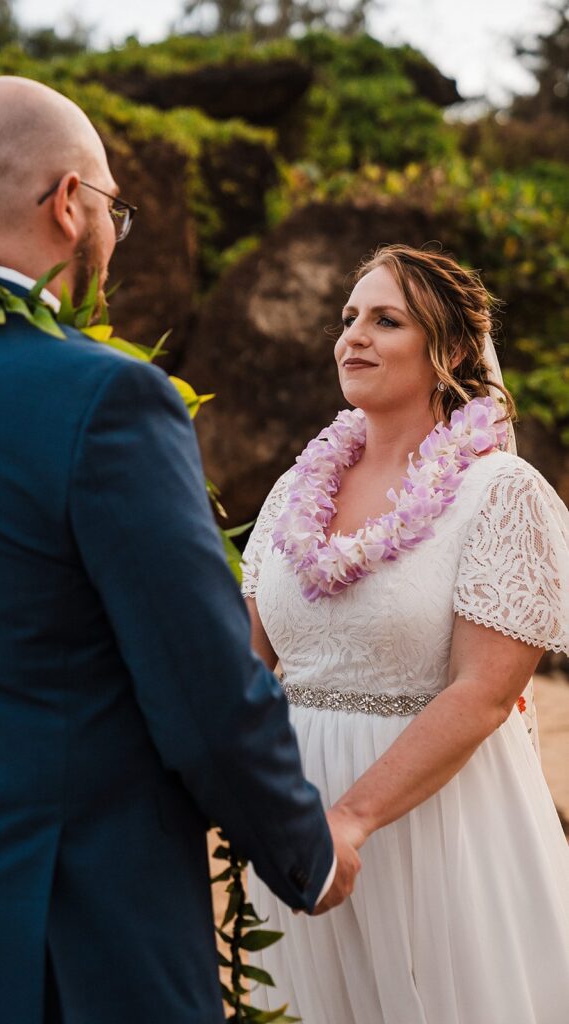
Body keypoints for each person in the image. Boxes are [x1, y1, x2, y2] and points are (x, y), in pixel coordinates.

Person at [0, 75, 354, 1024]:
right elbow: (202, 687)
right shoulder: (106, 398)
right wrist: (306, 852)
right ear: (68, 204)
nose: (112, 234)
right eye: (112, 209)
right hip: (75, 935)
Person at [243, 243, 569, 1024]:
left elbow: (486, 691)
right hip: (295, 826)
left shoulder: (498, 490)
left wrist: (350, 818)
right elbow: (244, 665)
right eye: (347, 317)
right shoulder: (294, 490)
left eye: (385, 320)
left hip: (435, 824)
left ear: (451, 350)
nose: (352, 336)